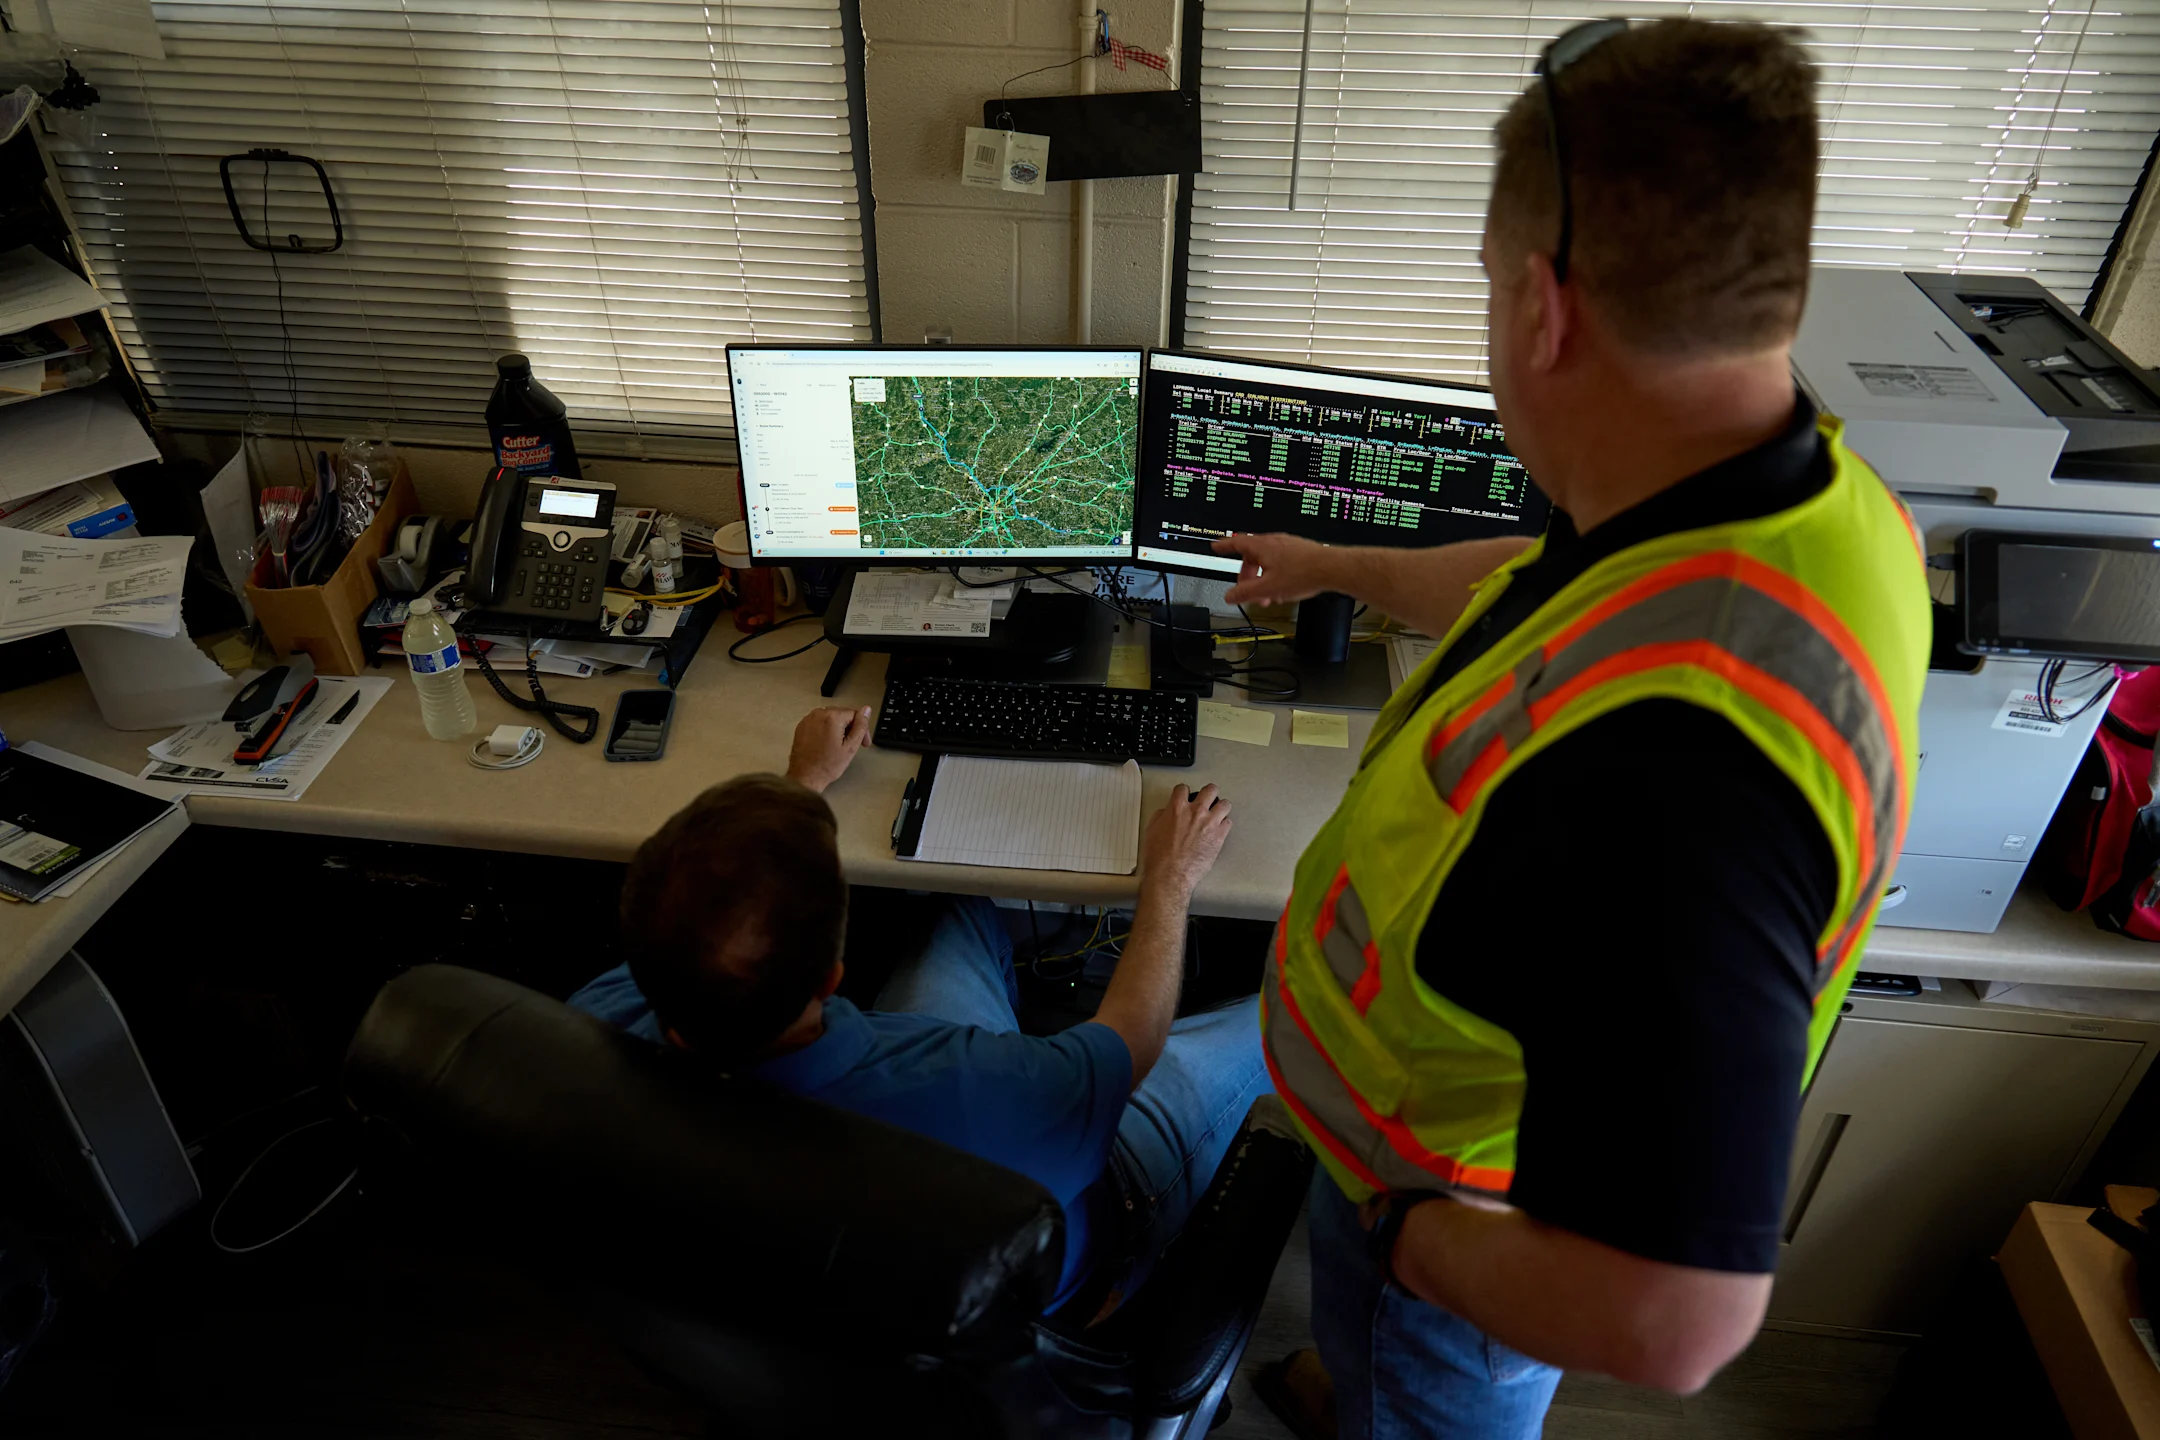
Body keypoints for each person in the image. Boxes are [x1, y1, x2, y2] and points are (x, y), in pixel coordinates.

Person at [1216, 19, 1932, 1439]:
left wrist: (1403, 1225)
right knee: (1364, 1368)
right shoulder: (1770, 495)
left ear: (1544, 308)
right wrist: (1335, 566)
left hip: (1468, 1229)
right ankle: (1341, 1373)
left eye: (1487, 291)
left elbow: (1676, 1322)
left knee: (1421, 1404)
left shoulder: (1685, 777)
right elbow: (1534, 578)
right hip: (1427, 1167)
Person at [568, 704, 1272, 1317]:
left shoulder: (593, 1022)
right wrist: (1171, 883)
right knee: (1285, 1007)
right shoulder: (997, 1095)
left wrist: (798, 790)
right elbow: (1132, 1043)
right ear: (833, 979)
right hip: (1070, 1246)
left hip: (796, 1281)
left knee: (958, 910)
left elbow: (714, 921)